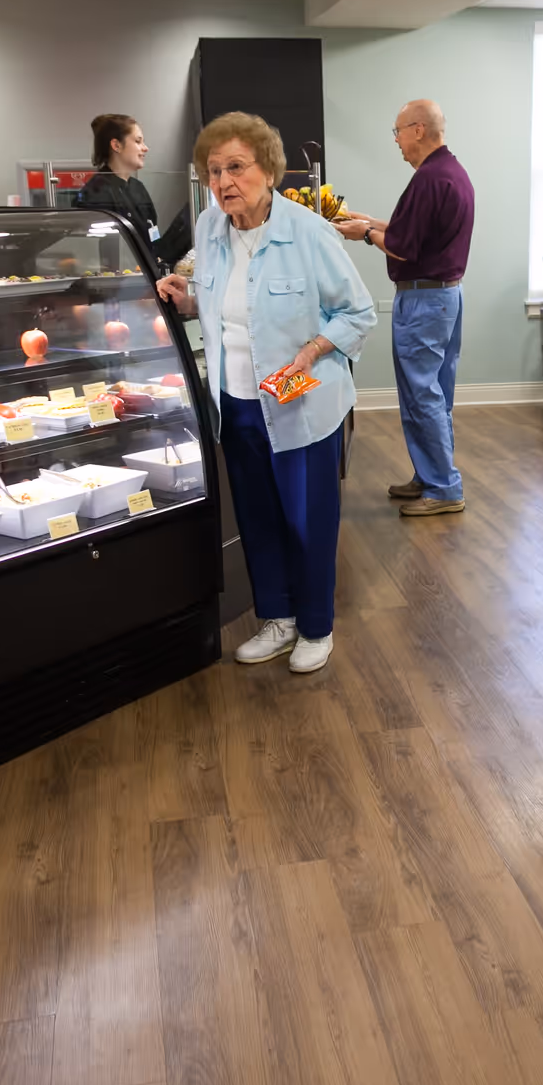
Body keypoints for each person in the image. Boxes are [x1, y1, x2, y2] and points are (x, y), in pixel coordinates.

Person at [156, 112, 375, 673]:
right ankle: (276, 618)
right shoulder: (210, 228)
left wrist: (312, 353)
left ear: (268, 170)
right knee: (255, 515)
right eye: (214, 171)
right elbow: (217, 306)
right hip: (236, 401)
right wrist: (182, 298)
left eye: (236, 167)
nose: (225, 181)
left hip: (300, 399)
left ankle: (315, 626)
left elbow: (358, 312)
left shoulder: (308, 231)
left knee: (308, 517)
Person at [333, 99, 474, 516]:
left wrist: (362, 234)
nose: (395, 141)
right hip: (446, 296)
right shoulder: (451, 173)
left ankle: (444, 489)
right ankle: (432, 474)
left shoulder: (428, 179)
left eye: (397, 132)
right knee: (435, 393)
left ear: (417, 129)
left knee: (421, 395)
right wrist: (369, 221)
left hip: (424, 300)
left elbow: (402, 249)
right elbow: (413, 235)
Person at [74, 113, 187, 271]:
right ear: (116, 145)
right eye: (138, 141)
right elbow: (94, 250)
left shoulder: (137, 188)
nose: (145, 148)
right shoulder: (95, 193)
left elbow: (151, 232)